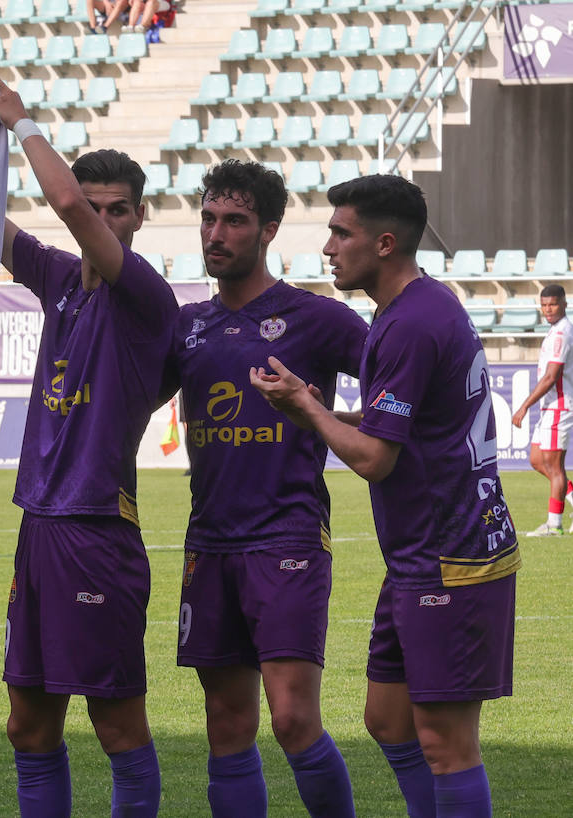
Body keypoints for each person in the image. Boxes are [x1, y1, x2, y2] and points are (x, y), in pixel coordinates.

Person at [251, 175, 519, 818]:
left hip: (453, 555)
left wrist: (305, 407)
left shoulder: (410, 325)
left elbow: (374, 458)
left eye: (342, 233)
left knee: (446, 744)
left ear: (386, 243)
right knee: (388, 718)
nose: (329, 247)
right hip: (422, 552)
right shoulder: (411, 311)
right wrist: (313, 400)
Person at [0, 79, 177, 817]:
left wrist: (22, 126)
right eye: (98, 206)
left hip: (98, 531)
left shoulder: (144, 296)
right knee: (29, 724)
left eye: (119, 209)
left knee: (117, 726)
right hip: (40, 527)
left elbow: (64, 209)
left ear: (139, 219)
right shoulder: (59, 278)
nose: (105, 220)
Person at [162, 160, 364, 817]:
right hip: (210, 543)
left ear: (269, 230)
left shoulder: (317, 319)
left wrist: (326, 416)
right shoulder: (187, 325)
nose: (216, 234)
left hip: (289, 537)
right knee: (225, 722)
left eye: (235, 221)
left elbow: (403, 384)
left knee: (293, 720)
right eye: (209, 219)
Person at [511, 284, 572, 536]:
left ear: (564, 304)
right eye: (544, 305)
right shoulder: (555, 330)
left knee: (554, 465)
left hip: (560, 406)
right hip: (550, 407)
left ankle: (554, 525)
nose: (548, 309)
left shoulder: (562, 333)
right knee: (537, 460)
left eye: (553, 304)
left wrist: (524, 406)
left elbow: (550, 377)